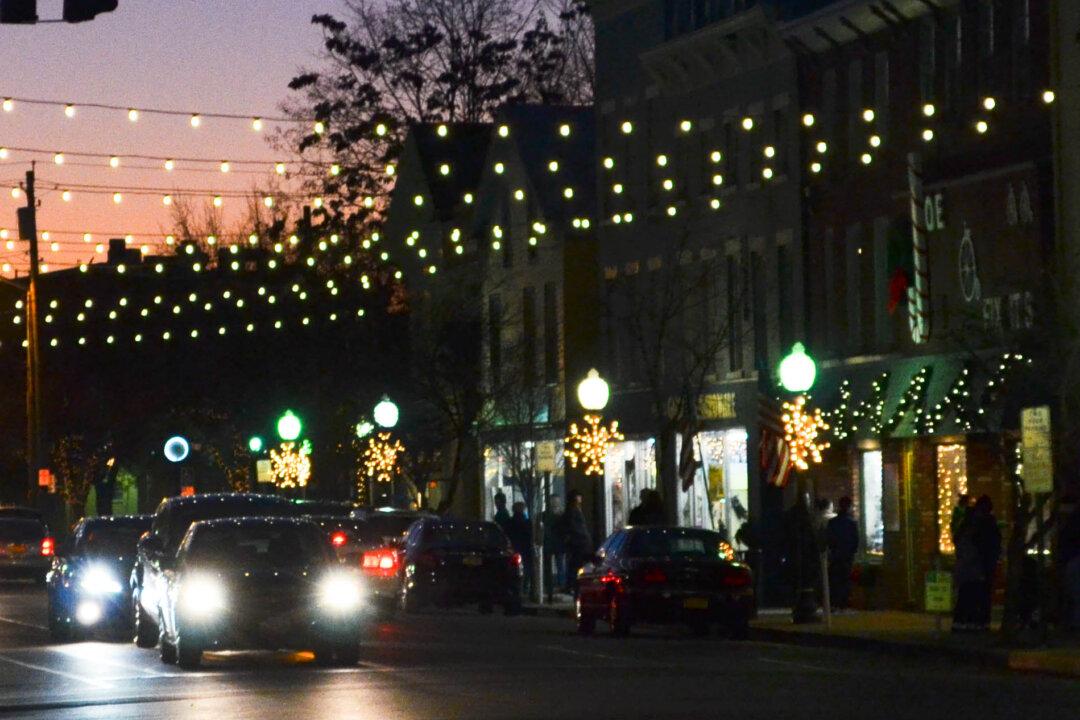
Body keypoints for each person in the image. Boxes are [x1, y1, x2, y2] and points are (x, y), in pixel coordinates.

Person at [953, 495, 1001, 632]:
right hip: (979, 566)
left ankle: (963, 624)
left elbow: (958, 540)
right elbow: (991, 545)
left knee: (966, 595)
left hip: (967, 566)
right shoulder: (985, 524)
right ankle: (978, 624)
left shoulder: (967, 522)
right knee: (979, 596)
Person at [826, 497, 859, 611]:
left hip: (835, 556)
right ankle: (843, 603)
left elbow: (829, 540)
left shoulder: (832, 523)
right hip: (846, 556)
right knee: (845, 580)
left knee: (835, 580)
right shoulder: (852, 523)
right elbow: (855, 541)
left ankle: (835, 603)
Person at [563, 490, 593, 597]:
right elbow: (575, 526)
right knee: (576, 564)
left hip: (579, 542)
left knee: (575, 564)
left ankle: (572, 585)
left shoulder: (574, 510)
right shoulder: (573, 511)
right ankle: (572, 585)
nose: (581, 498)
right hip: (578, 542)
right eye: (579, 496)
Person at [1057, 497, 1080, 631]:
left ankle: (1074, 623)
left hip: (1072, 558)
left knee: (1074, 593)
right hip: (1074, 558)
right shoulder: (1074, 520)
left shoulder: (1072, 520)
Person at [505, 501, 534, 597]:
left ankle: (516, 589)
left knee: (514, 570)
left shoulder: (509, 522)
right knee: (527, 569)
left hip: (515, 549)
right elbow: (530, 536)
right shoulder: (527, 522)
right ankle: (526, 588)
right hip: (526, 549)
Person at [542, 495, 567, 598]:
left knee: (559, 564)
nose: (555, 503)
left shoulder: (560, 514)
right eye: (553, 501)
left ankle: (558, 583)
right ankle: (552, 583)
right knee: (556, 564)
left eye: (556, 501)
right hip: (553, 543)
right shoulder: (560, 514)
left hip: (556, 543)